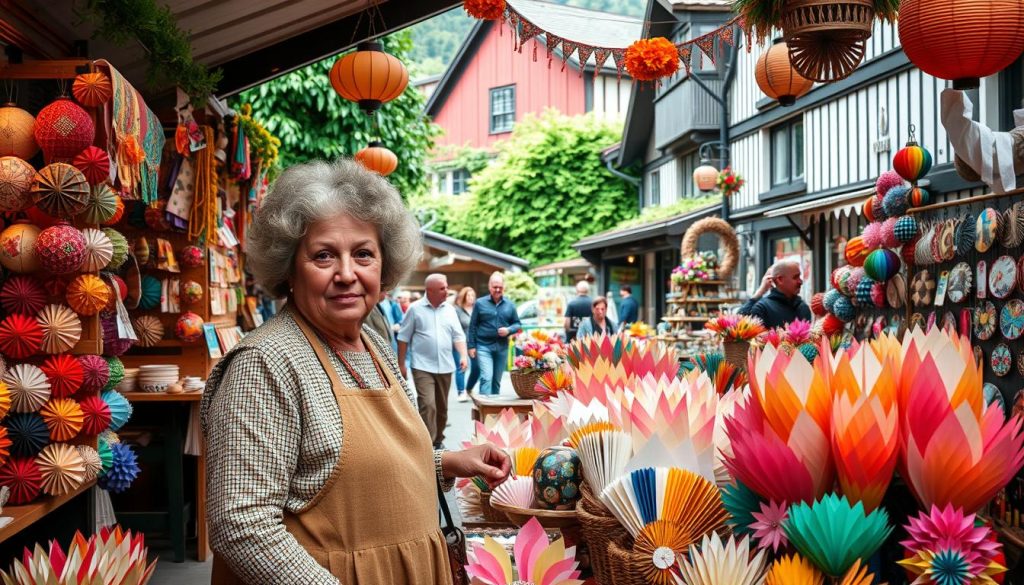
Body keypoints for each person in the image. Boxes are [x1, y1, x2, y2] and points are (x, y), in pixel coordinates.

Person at [202, 159, 510, 585]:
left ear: (384, 267)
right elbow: (242, 526)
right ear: (290, 269)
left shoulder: (372, 343)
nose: (346, 274)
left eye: (363, 254)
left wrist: (450, 462)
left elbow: (353, 470)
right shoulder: (265, 363)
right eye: (324, 255)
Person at [398, 274, 468, 449]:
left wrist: (463, 355)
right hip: (422, 366)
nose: (447, 290)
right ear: (430, 290)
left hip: (445, 366)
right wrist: (401, 364)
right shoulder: (415, 309)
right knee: (428, 405)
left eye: (446, 287)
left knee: (442, 409)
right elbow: (403, 337)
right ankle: (426, 446)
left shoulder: (450, 310)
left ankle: (438, 441)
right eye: (443, 288)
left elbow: (458, 336)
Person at [467, 272, 522, 396]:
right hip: (483, 346)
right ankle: (484, 409)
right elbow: (473, 326)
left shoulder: (510, 305)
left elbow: (517, 324)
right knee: (486, 377)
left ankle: (493, 410)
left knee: (496, 381)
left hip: (502, 347)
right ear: (489, 286)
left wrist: (509, 330)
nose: (497, 290)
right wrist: (471, 346)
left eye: (500, 287)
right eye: (494, 287)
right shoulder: (480, 303)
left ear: (504, 287)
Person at [738, 260, 813, 329]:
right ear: (779, 279)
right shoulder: (762, 308)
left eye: (799, 276)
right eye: (795, 277)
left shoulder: (803, 307)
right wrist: (759, 293)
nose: (801, 282)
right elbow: (738, 326)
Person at [453, 286, 477, 402]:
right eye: (468, 295)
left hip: (474, 343)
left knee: (477, 368)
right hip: (460, 343)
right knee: (461, 367)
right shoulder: (457, 310)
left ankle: (469, 388)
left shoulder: (477, 309)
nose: (471, 298)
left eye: (473, 295)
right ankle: (461, 392)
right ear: (463, 296)